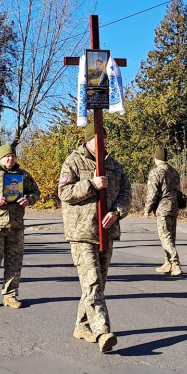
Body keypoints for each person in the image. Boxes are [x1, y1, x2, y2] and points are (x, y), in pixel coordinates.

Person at [57, 121, 131, 354]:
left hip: (106, 232)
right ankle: (102, 331)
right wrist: (91, 184)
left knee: (97, 285)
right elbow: (64, 193)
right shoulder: (74, 161)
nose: (101, 143)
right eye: (96, 139)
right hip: (82, 233)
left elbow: (126, 193)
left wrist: (116, 212)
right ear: (87, 140)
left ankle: (82, 326)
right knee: (92, 283)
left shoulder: (114, 165)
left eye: (103, 139)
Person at [0, 144, 40, 307]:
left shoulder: (22, 175)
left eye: (12, 156)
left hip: (16, 225)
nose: (10, 159)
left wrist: (28, 200)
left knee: (15, 261)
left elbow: (36, 192)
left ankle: (10, 295)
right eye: (6, 156)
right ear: (0, 158)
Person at [143, 147, 183, 276]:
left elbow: (152, 192)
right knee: (171, 236)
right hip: (174, 206)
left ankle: (175, 264)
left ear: (156, 158)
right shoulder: (174, 171)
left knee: (165, 237)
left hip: (162, 208)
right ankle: (167, 263)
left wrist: (147, 209)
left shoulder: (156, 172)